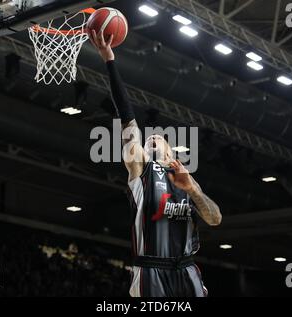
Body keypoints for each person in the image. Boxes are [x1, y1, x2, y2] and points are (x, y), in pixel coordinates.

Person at [91, 30, 222, 297]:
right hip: (151, 270)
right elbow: (126, 116)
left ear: (171, 149)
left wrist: (194, 191)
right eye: (148, 139)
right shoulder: (141, 169)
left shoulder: (187, 181)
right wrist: (110, 60)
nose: (153, 138)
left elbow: (215, 218)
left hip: (186, 269)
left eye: (159, 138)